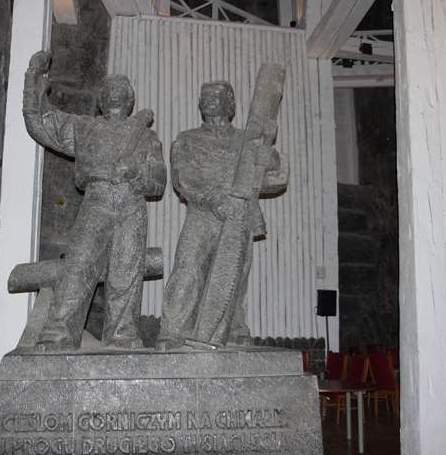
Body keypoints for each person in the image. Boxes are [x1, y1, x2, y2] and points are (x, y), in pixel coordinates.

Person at [22, 51, 166, 351]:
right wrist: (32, 80)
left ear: (130, 100)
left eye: (121, 90)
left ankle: (122, 334)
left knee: (127, 270)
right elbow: (42, 122)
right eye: (109, 90)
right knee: (79, 263)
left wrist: (137, 172)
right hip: (97, 200)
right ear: (101, 99)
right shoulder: (86, 128)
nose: (115, 94)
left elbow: (157, 182)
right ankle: (60, 331)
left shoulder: (147, 137)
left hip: (131, 202)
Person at [157, 80, 286, 350]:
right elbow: (183, 180)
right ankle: (173, 329)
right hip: (202, 213)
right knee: (187, 268)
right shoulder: (187, 139)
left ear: (230, 104)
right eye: (205, 96)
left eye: (216, 96)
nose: (209, 100)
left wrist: (265, 155)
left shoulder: (246, 139)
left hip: (238, 214)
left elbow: (278, 176)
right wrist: (213, 198)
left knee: (235, 274)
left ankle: (233, 327)